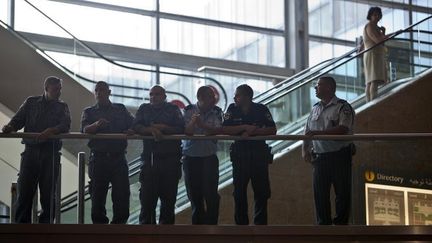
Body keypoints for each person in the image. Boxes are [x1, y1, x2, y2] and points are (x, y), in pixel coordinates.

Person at [2, 76, 71, 223]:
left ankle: (45, 229)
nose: (59, 92)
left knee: (48, 195)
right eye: (55, 89)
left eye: (60, 89)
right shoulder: (31, 102)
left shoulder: (62, 106)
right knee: (25, 193)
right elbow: (18, 120)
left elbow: (65, 125)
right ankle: (22, 229)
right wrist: (10, 127)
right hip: (30, 152)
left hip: (50, 153)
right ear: (46, 88)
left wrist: (51, 131)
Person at [302, 76, 355, 225]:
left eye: (318, 85)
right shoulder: (315, 108)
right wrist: (305, 150)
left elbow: (343, 129)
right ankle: (323, 226)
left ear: (328, 88)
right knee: (320, 194)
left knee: (342, 193)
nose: (315, 88)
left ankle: (340, 226)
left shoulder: (343, 107)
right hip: (320, 157)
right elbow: (307, 131)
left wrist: (318, 134)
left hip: (340, 156)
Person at [222, 84, 276, 225]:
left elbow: (272, 129)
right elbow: (225, 129)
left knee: (262, 192)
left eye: (238, 95)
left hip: (259, 155)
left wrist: (254, 132)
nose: (234, 97)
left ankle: (260, 225)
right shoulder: (232, 109)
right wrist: (243, 129)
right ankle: (241, 227)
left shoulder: (261, 109)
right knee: (239, 192)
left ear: (247, 97)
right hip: (240, 155)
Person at [81, 81, 134, 224]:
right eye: (97, 90)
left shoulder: (120, 109)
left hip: (118, 158)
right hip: (99, 159)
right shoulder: (89, 112)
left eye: (102, 90)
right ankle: (100, 229)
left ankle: (119, 228)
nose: (99, 93)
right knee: (97, 196)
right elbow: (85, 130)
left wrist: (132, 130)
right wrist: (96, 125)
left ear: (109, 92)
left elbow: (134, 124)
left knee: (122, 194)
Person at [133, 85, 184, 224]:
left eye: (157, 94)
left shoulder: (173, 109)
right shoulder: (144, 109)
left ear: (164, 96)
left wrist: (164, 128)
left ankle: (165, 236)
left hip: (170, 161)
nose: (153, 97)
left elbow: (181, 128)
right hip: (150, 160)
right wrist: (150, 130)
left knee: (168, 203)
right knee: (147, 203)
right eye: (151, 94)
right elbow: (135, 126)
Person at [182, 86, 223, 225]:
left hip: (209, 158)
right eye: (211, 97)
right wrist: (194, 122)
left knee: (211, 195)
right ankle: (197, 230)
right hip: (191, 158)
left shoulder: (217, 111)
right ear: (200, 98)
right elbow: (187, 132)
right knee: (194, 195)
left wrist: (202, 125)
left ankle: (212, 229)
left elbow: (217, 130)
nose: (214, 99)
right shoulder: (188, 110)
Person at [363, 6, 389, 102]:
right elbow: (377, 40)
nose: (377, 16)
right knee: (373, 80)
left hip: (376, 54)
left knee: (372, 80)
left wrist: (383, 32)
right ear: (370, 15)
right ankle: (371, 103)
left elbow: (380, 41)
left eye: (378, 14)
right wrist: (388, 35)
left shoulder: (375, 27)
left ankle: (370, 102)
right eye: (374, 14)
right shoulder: (370, 26)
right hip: (373, 54)